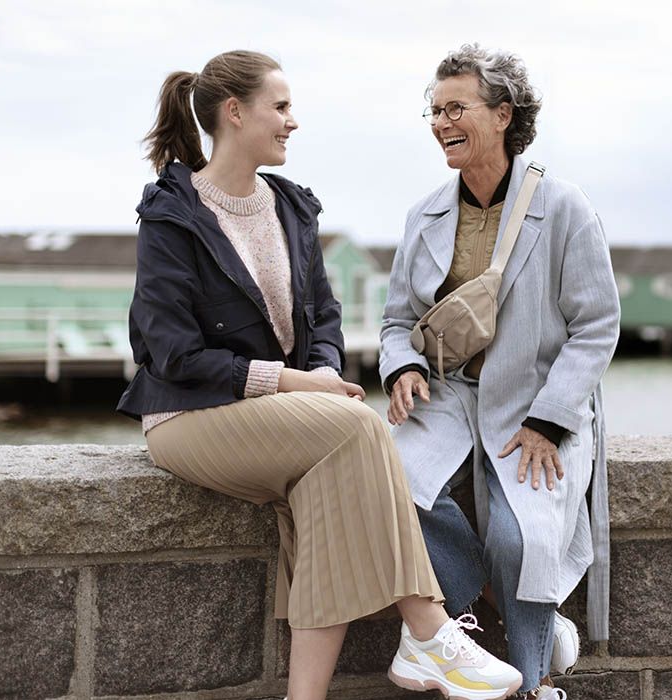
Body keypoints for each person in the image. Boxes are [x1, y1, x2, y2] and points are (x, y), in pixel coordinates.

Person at [117, 50, 521, 700]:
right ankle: (428, 629)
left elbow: (323, 318)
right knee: (359, 429)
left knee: (330, 490)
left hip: (283, 419)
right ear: (234, 112)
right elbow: (172, 354)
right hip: (187, 416)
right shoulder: (173, 214)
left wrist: (324, 374)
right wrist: (299, 385)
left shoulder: (291, 208)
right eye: (280, 107)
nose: (292, 121)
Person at [380, 44, 620, 700]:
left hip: (535, 402)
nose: (440, 122)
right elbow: (396, 322)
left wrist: (550, 420)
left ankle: (532, 685)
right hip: (447, 396)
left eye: (455, 108)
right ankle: (480, 615)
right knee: (386, 487)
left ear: (502, 115)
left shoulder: (566, 207)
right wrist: (402, 368)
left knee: (522, 540)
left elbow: (597, 325)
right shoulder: (424, 214)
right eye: (434, 111)